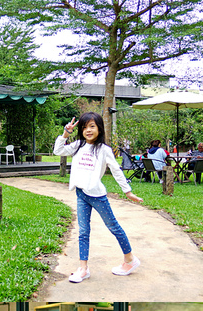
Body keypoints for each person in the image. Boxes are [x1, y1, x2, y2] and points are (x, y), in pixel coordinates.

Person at [53, 112, 143, 283]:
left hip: (97, 196)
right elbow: (58, 150)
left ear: (99, 129)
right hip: (81, 194)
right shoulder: (78, 145)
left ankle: (130, 259)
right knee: (83, 232)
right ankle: (83, 268)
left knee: (114, 227)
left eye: (92, 126)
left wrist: (128, 191)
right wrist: (66, 133)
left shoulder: (104, 150)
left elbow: (116, 171)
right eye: (85, 127)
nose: (88, 130)